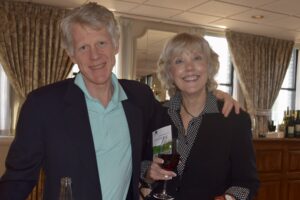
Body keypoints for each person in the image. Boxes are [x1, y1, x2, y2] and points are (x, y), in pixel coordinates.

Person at [0, 3, 239, 200]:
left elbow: (172, 119)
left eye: (101, 43)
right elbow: (17, 180)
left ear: (115, 45)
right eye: (83, 47)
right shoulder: (42, 105)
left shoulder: (139, 96)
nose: (95, 56)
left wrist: (209, 94)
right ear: (71, 54)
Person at [143, 33, 259, 200]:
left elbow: (247, 182)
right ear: (170, 71)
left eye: (197, 58)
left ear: (209, 66)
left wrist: (229, 198)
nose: (189, 68)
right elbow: (142, 162)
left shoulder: (234, 119)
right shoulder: (158, 114)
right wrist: (148, 172)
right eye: (179, 61)